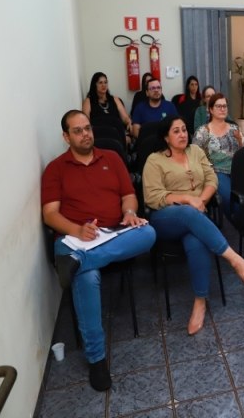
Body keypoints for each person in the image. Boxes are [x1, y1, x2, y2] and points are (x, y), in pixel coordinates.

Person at [41, 110, 156, 391]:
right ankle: (96, 359)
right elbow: (49, 214)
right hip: (73, 239)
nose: (86, 134)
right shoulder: (56, 168)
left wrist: (129, 212)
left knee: (148, 232)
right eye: (78, 131)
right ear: (66, 137)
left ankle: (79, 262)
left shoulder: (112, 158)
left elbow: (129, 195)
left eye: (88, 128)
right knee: (88, 278)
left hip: (111, 233)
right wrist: (77, 230)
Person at [142, 116, 244, 336]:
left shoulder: (196, 152)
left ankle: (200, 302)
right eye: (176, 131)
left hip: (196, 214)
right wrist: (187, 199)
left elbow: (212, 179)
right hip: (166, 217)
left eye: (184, 130)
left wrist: (201, 200)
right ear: (166, 137)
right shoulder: (154, 161)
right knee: (187, 213)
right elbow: (152, 197)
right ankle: (234, 259)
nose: (183, 134)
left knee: (197, 240)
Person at [192, 93, 244, 218]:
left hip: (237, 169)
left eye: (225, 106)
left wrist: (240, 141)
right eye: (219, 106)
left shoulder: (234, 128)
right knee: (232, 201)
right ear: (210, 109)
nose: (223, 109)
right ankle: (239, 223)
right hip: (216, 171)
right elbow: (194, 157)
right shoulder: (202, 132)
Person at [82, 72, 132, 140]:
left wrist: (129, 122)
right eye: (100, 83)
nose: (104, 85)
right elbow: (85, 122)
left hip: (117, 132)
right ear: (94, 85)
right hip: (100, 135)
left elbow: (125, 118)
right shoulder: (88, 101)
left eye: (105, 82)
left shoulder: (115, 99)